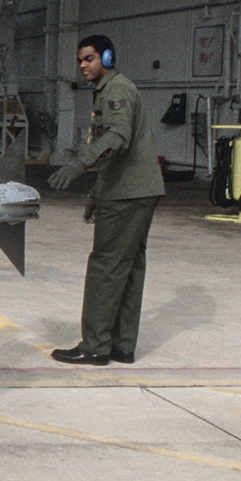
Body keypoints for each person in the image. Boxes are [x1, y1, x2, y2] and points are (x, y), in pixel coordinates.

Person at [47, 35, 165, 365]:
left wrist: (77, 164)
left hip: (129, 193)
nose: (83, 65)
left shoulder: (117, 89)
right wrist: (97, 193)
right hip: (136, 190)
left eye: (90, 59)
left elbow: (117, 137)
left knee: (105, 267)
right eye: (80, 60)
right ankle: (122, 346)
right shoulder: (111, 89)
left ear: (108, 58)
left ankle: (96, 346)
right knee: (129, 267)